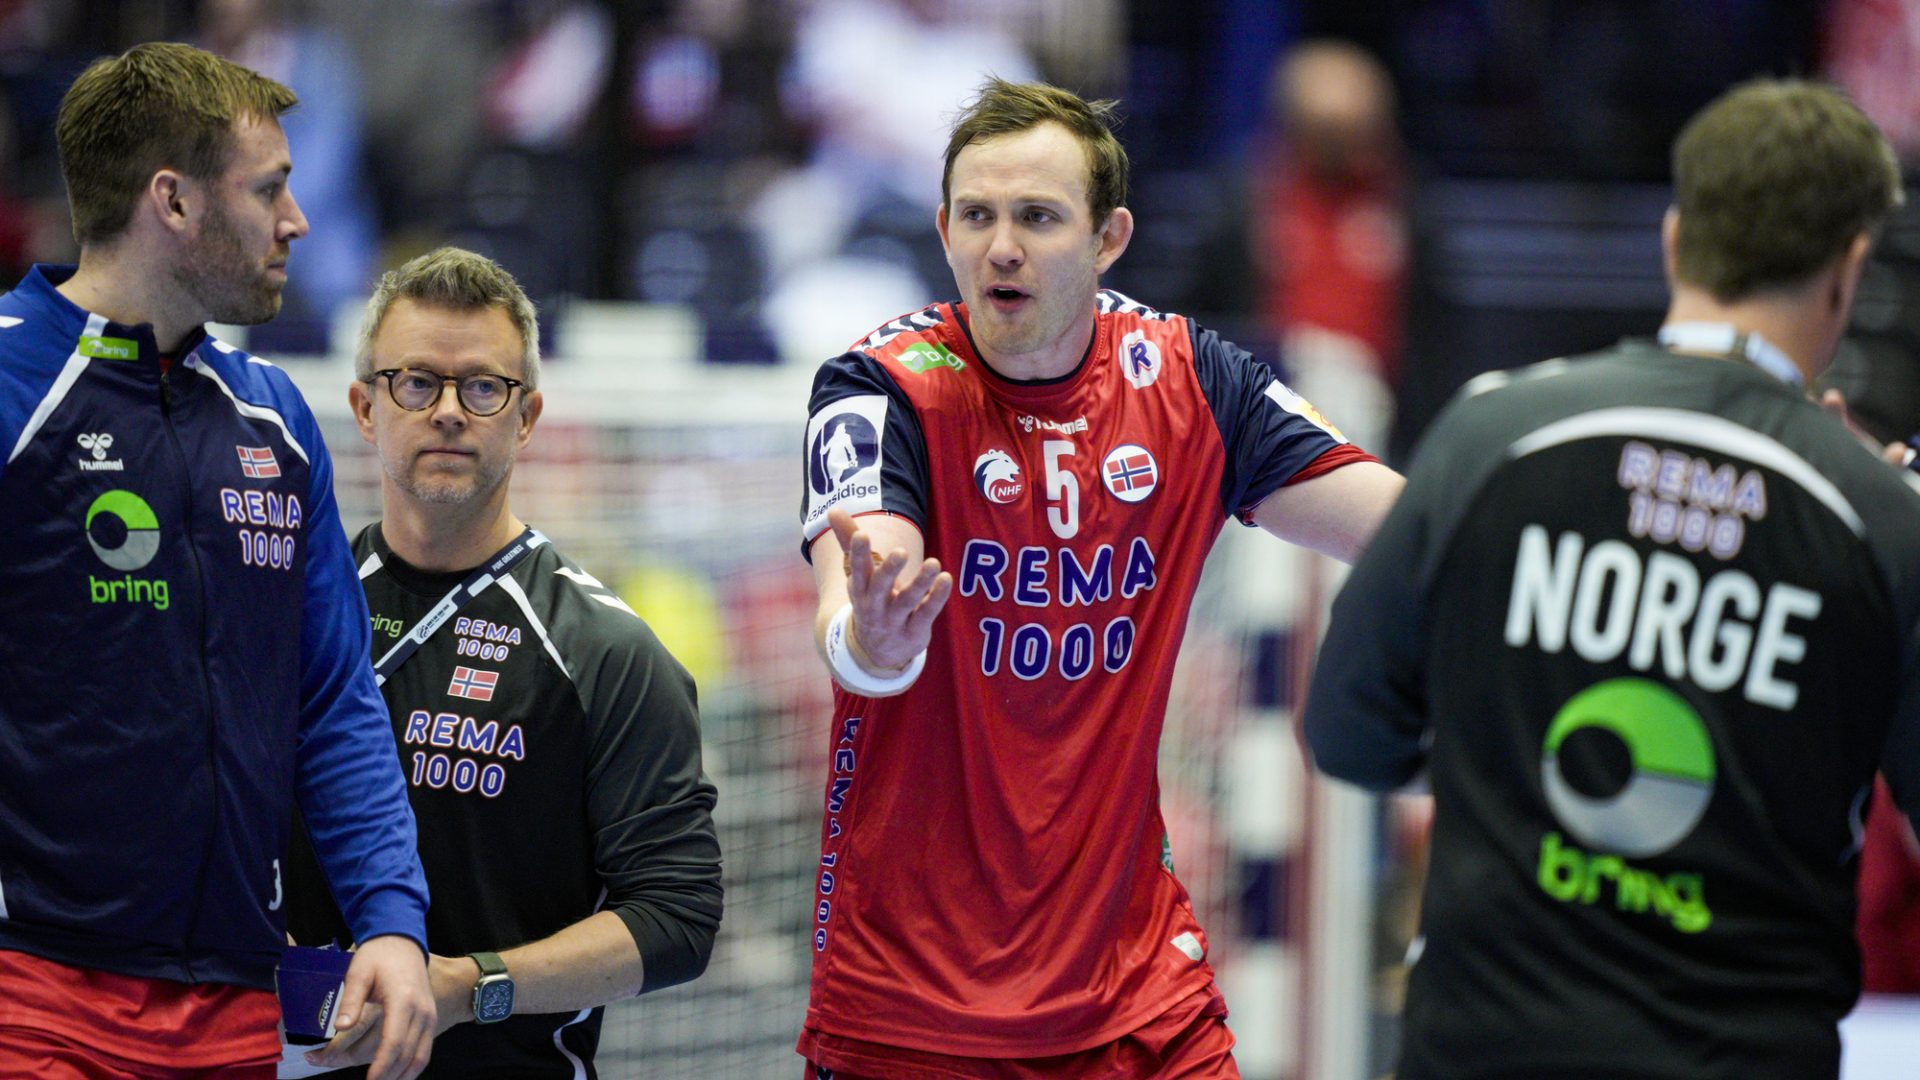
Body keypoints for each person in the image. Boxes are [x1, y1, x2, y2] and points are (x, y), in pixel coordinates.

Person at [1302, 78, 1919, 1079]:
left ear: (1676, 240)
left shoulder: (1494, 430)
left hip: (1481, 1051)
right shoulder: (1878, 520)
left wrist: (1505, 763)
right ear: (1848, 272)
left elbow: (1348, 731)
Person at [797, 78, 1404, 1078]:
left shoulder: (1192, 379)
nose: (1002, 247)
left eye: (1038, 218)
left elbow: (1404, 534)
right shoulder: (880, 386)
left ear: (1108, 238)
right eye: (977, 217)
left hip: (1137, 998)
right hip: (913, 1008)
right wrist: (877, 638)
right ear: (944, 230)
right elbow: (855, 611)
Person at [0, 42, 433, 1080]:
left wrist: (391, 919)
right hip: (33, 992)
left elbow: (331, 699)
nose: (298, 220)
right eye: (270, 188)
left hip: (234, 1002)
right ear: (174, 201)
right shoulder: (10, 384)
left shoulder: (275, 420)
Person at [282, 246, 724, 1078]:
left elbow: (679, 918)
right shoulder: (285, 616)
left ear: (526, 417)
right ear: (365, 408)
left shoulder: (607, 652)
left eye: (484, 387)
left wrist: (472, 987)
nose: (450, 412)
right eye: (417, 382)